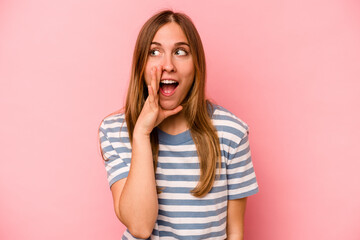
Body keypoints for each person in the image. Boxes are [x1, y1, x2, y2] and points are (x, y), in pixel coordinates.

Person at [99, 10, 259, 240]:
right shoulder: (116, 131)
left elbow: (234, 232)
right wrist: (142, 133)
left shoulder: (231, 132)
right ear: (140, 65)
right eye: (154, 52)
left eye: (180, 52)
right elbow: (140, 227)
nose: (168, 65)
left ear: (196, 66)